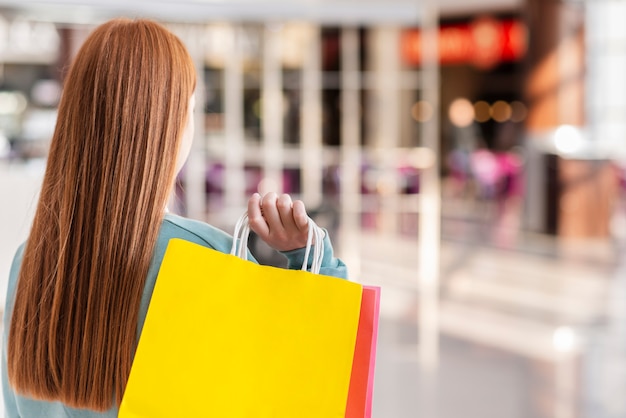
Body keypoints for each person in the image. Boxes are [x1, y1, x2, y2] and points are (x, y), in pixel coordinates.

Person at [2, 18, 347, 417]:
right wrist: (314, 261)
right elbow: (300, 386)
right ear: (172, 125)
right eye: (192, 108)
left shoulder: (27, 262)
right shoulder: (209, 259)